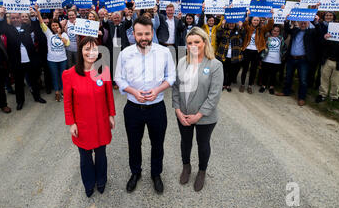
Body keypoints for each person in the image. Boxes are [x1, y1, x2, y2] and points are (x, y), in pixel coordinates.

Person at [115, 16, 176, 194]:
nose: (144, 37)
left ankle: (156, 174)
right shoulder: (125, 53)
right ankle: (135, 173)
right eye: (139, 34)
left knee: (157, 144)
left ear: (152, 33)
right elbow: (118, 78)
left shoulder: (164, 52)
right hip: (133, 108)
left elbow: (171, 77)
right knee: (134, 144)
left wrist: (158, 90)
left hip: (157, 108)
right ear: (133, 34)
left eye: (147, 34)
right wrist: (133, 92)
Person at [63, 37, 116, 197]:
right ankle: (89, 183)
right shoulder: (69, 74)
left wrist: (111, 115)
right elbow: (67, 101)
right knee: (85, 157)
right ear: (81, 51)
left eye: (94, 49)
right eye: (87, 49)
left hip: (101, 122)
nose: (91, 52)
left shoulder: (103, 70)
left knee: (101, 155)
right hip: (82, 124)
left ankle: (101, 181)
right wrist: (71, 123)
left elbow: (109, 96)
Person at [172, 27, 223, 191]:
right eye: (189, 43)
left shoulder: (215, 65)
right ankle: (186, 167)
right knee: (185, 142)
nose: (192, 45)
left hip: (205, 117)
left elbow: (214, 95)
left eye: (196, 42)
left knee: (203, 144)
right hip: (183, 114)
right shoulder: (182, 62)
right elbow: (175, 88)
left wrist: (199, 115)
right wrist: (178, 110)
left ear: (204, 42)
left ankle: (202, 171)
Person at [0, 6, 47, 110]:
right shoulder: (8, 28)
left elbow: (36, 27)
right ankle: (20, 102)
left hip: (30, 60)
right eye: (13, 18)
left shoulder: (27, 26)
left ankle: (37, 97)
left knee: (34, 81)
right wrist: (1, 15)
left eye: (17, 18)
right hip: (16, 62)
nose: (15, 20)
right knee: (19, 83)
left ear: (20, 18)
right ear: (10, 19)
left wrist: (33, 16)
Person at [276, 20, 320, 106]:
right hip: (291, 58)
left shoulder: (311, 32)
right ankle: (286, 91)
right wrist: (286, 21)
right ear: (298, 23)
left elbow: (319, 32)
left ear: (308, 23)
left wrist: (316, 22)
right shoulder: (295, 30)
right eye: (301, 23)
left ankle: (301, 98)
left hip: (303, 60)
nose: (303, 24)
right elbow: (287, 29)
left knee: (303, 80)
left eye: (305, 23)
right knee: (288, 76)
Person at [35, 5, 70, 102]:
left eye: (56, 25)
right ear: (50, 26)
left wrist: (59, 35)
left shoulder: (63, 34)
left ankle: (62, 90)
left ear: (59, 26)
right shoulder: (48, 34)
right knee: (54, 76)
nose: (55, 27)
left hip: (63, 59)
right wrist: (37, 11)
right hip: (52, 60)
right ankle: (57, 92)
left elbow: (67, 43)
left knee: (63, 76)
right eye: (53, 25)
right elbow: (41, 22)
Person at [240, 12, 274, 93]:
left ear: (259, 21)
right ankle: (242, 84)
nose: (256, 21)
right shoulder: (248, 27)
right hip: (247, 50)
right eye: (254, 20)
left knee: (253, 69)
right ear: (252, 21)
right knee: (245, 68)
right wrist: (247, 15)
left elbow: (269, 26)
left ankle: (250, 86)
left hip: (256, 51)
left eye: (257, 20)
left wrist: (271, 16)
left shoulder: (261, 29)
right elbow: (244, 24)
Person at [215, 18, 245, 92]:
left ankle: (228, 85)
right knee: (223, 71)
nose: (231, 24)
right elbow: (218, 36)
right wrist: (222, 25)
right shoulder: (223, 30)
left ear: (235, 24)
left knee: (231, 71)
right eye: (230, 23)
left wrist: (241, 27)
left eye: (233, 23)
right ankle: (223, 84)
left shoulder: (238, 31)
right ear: (227, 24)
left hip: (234, 56)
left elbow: (243, 35)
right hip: (223, 55)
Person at [259, 25, 287, 94]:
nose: (275, 32)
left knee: (273, 75)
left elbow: (284, 48)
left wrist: (282, 56)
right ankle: (263, 86)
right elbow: (262, 47)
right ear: (272, 31)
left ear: (279, 32)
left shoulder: (281, 39)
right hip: (266, 59)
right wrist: (261, 56)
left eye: (277, 31)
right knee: (265, 73)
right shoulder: (267, 38)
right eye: (274, 31)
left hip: (276, 60)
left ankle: (271, 87)